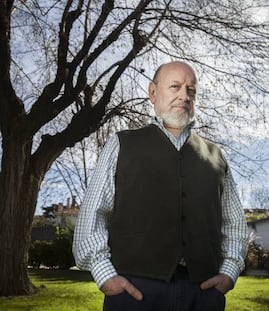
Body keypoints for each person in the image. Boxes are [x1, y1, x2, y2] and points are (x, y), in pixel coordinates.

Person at [73, 61, 249, 311]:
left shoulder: (216, 155)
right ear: (153, 92)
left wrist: (229, 272)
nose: (184, 95)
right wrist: (105, 276)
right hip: (134, 292)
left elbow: (234, 223)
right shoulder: (121, 144)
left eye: (191, 90)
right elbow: (93, 213)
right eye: (175, 86)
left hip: (203, 293)